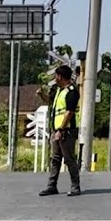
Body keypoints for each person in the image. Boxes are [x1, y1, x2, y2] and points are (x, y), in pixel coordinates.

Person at [39, 64, 81, 196]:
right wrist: (41, 94)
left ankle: (75, 186)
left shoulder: (72, 91)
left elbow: (69, 112)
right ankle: (52, 186)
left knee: (69, 159)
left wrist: (60, 130)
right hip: (56, 130)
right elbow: (50, 101)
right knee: (55, 159)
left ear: (60, 76)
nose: (55, 78)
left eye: (56, 76)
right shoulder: (59, 90)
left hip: (66, 131)